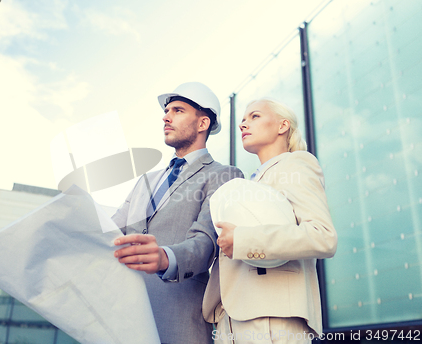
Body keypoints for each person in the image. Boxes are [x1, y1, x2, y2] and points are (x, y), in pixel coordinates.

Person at [112, 82, 244, 344]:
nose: (166, 116)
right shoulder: (146, 181)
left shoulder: (223, 175)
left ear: (203, 123)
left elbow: (206, 242)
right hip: (127, 319)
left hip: (180, 320)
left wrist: (164, 258)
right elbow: (112, 231)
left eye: (178, 110)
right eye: (166, 110)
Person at [203, 98, 338, 343]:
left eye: (254, 116)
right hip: (232, 321)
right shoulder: (255, 182)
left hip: (272, 321)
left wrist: (243, 240)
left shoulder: (297, 164)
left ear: (282, 125)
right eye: (242, 119)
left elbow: (323, 236)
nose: (243, 124)